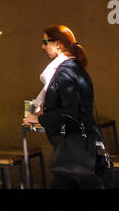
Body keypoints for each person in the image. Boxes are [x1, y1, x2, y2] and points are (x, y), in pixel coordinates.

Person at [24, 25, 106, 189]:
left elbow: (70, 112)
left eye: (46, 42)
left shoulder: (63, 73)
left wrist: (39, 118)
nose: (43, 46)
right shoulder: (76, 69)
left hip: (73, 145)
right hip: (82, 143)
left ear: (59, 44)